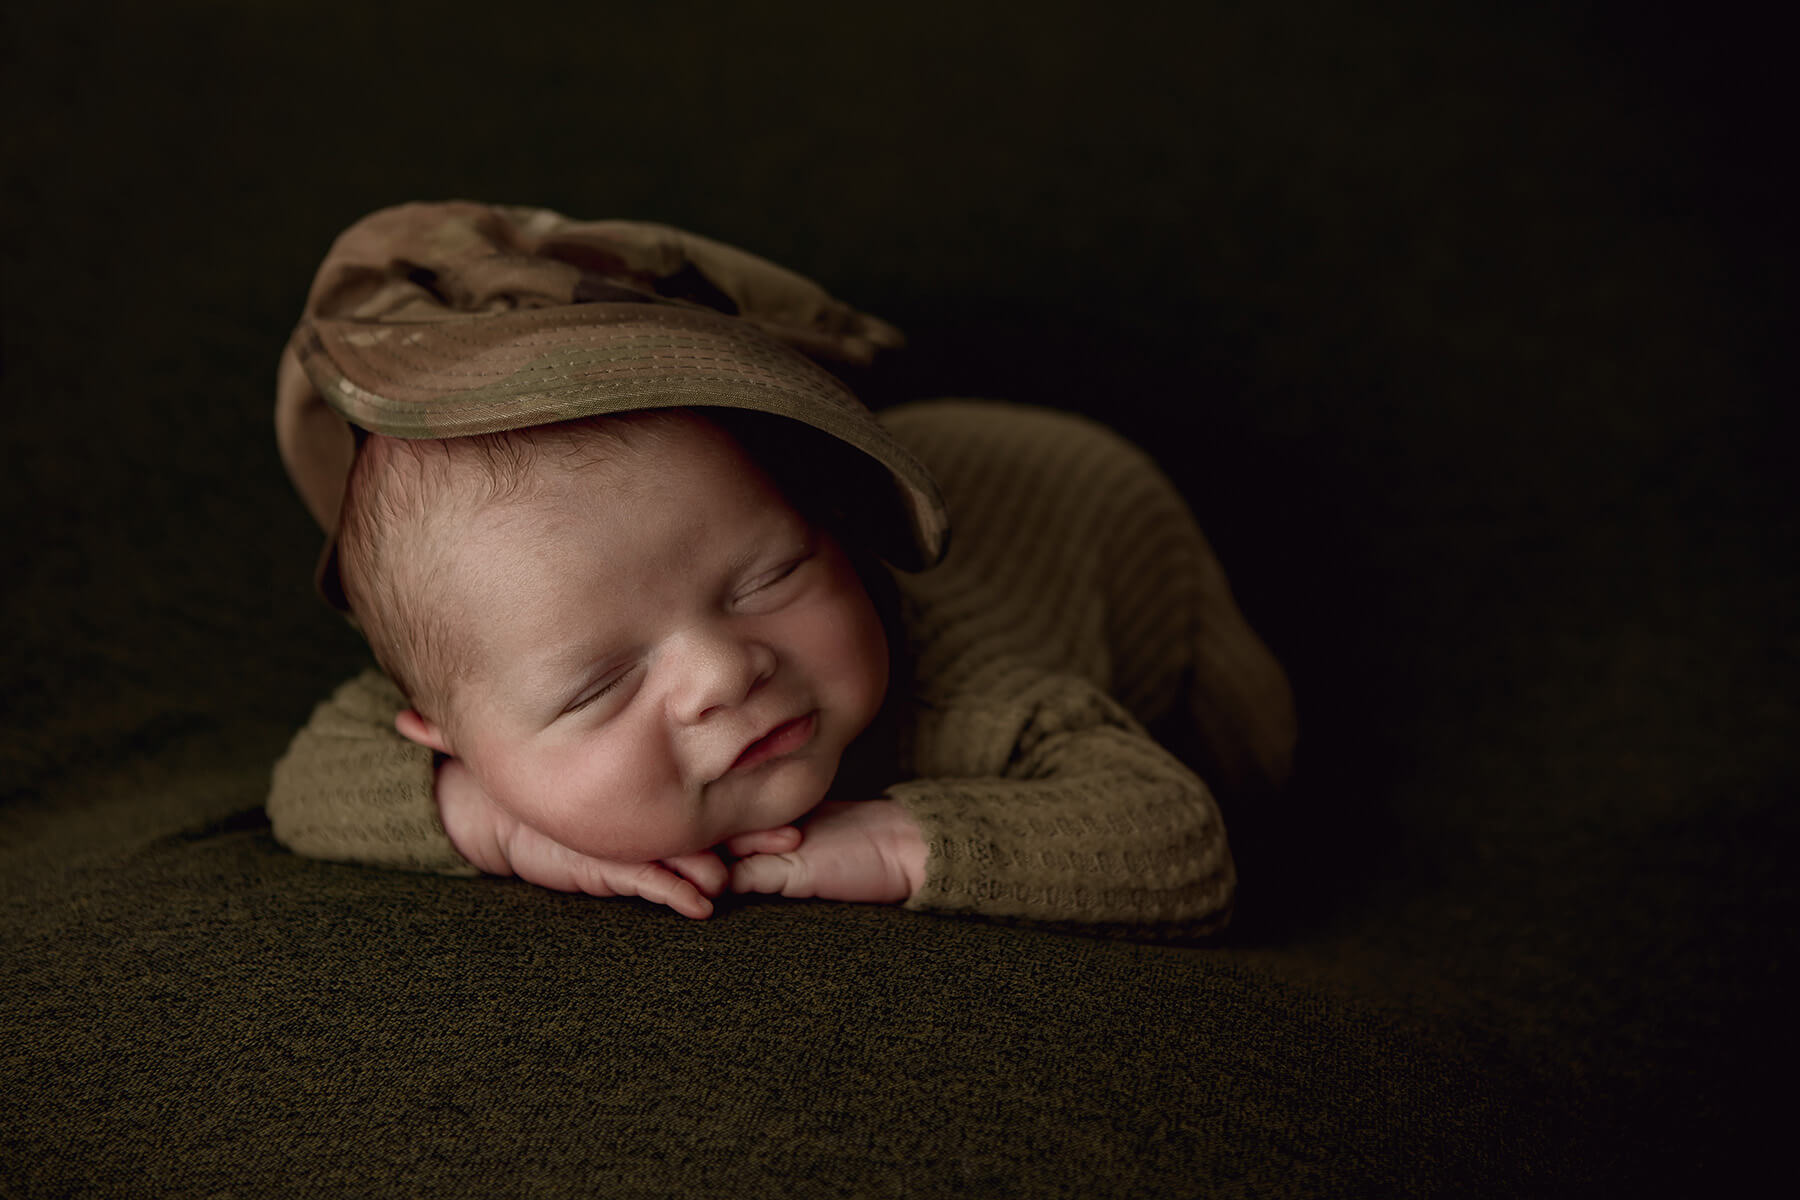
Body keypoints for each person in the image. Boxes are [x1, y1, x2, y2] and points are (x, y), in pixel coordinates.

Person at [268, 201, 1296, 933]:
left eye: (769, 577)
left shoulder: (966, 700)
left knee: (1258, 751)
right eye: (600, 681)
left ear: (835, 527)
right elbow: (307, 781)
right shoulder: (481, 672)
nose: (723, 672)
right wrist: (496, 821)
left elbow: (1177, 838)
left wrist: (902, 845)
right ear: (442, 730)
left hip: (1096, 516)